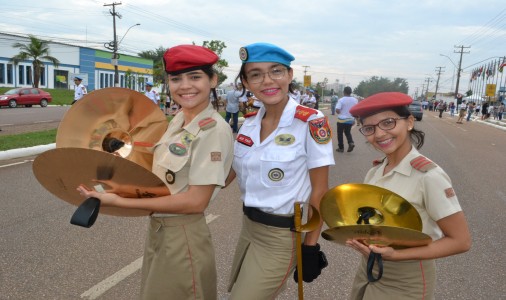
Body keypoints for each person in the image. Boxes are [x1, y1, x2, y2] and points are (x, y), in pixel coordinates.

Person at [76, 45, 234, 300]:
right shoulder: (179, 121)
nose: (185, 86)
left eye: (195, 77)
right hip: (161, 230)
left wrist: (121, 201)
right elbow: (164, 177)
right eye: (176, 79)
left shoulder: (212, 129)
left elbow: (196, 202)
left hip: (183, 236)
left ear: (212, 80)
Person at [225, 42, 335, 299]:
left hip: (282, 238)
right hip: (249, 228)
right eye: (256, 74)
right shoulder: (250, 122)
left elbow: (320, 190)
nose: (267, 81)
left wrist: (310, 246)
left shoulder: (311, 121)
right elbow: (230, 173)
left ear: (289, 75)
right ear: (246, 82)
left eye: (276, 71)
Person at [347, 92, 471, 299]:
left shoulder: (428, 176)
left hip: (406, 278)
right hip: (368, 268)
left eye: (388, 123)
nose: (378, 134)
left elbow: (461, 241)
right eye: (369, 128)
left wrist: (397, 255)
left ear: (410, 122)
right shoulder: (376, 171)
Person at [336, 86, 358, 153]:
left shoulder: (341, 100)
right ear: (350, 92)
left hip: (341, 119)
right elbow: (355, 110)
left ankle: (341, 148)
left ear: (344, 92)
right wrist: (354, 119)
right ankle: (351, 142)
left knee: (340, 133)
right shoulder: (355, 100)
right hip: (350, 119)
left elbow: (337, 110)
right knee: (347, 132)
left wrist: (341, 113)